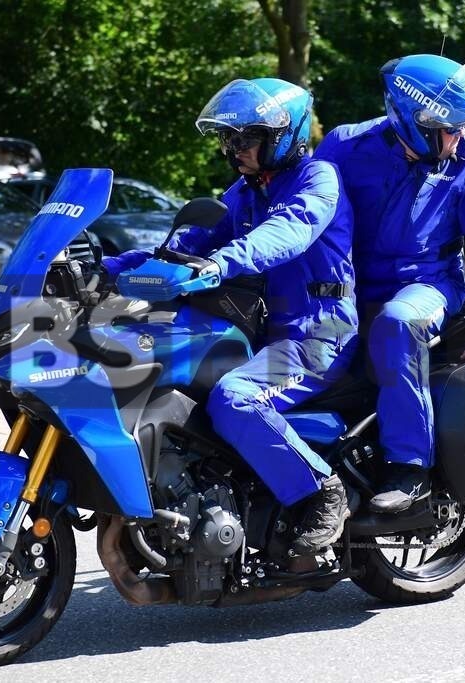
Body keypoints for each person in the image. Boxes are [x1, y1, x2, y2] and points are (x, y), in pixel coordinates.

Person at [104, 78, 358, 554]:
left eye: (245, 139)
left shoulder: (318, 179)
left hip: (316, 335)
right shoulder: (245, 192)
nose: (233, 149)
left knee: (235, 399)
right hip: (262, 333)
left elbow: (288, 231)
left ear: (283, 135)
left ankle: (322, 491)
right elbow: (181, 248)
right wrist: (105, 267)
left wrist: (223, 262)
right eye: (228, 139)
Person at [314, 54, 465, 514]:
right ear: (414, 121)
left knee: (397, 322)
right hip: (348, 288)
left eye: (462, 128)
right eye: (451, 128)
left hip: (428, 284)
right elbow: (299, 209)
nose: (459, 137)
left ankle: (409, 467)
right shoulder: (346, 147)